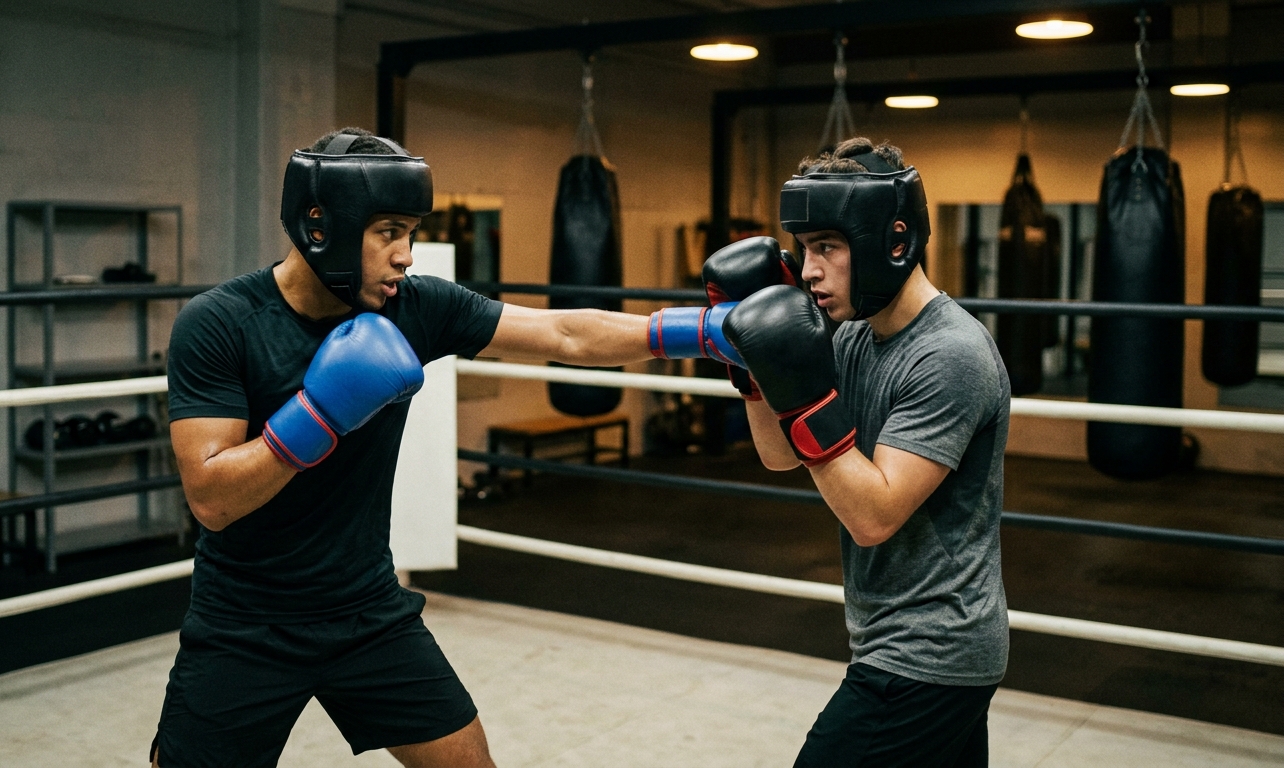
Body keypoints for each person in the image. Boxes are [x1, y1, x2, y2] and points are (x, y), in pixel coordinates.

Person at [153, 127, 741, 768]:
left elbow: (566, 332)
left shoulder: (414, 305)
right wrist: (318, 414)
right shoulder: (219, 323)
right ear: (321, 225)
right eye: (388, 232)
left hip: (367, 611)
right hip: (246, 623)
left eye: (410, 232)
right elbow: (211, 500)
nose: (406, 255)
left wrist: (709, 331)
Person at [721, 138, 1011, 767]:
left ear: (894, 241)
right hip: (900, 642)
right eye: (803, 249)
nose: (807, 271)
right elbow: (778, 456)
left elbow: (873, 515)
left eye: (827, 247)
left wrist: (799, 398)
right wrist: (752, 370)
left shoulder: (949, 355)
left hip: (928, 652)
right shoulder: (852, 335)